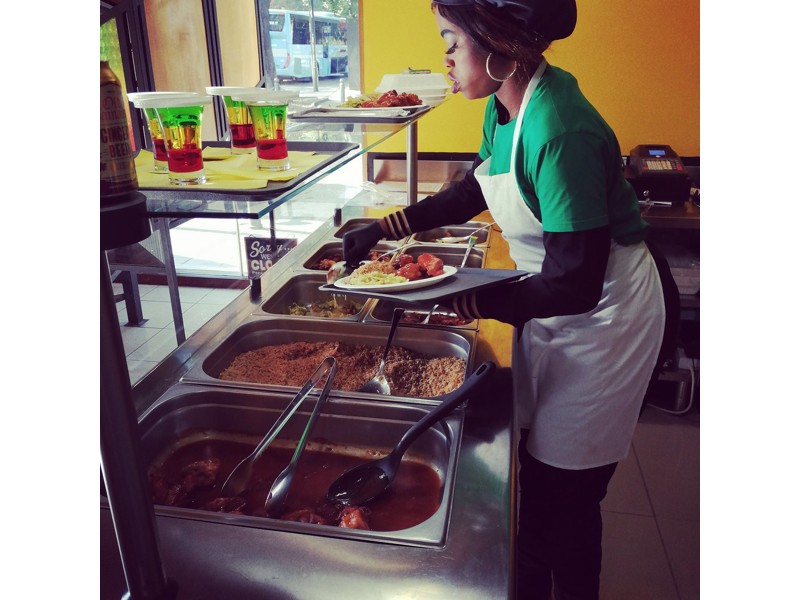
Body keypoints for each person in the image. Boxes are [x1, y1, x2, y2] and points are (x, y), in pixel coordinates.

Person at [342, 1, 680, 598]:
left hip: (607, 319)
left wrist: (466, 300)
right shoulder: (504, 105)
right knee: (538, 477)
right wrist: (387, 227)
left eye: (451, 42)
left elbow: (576, 283)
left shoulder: (560, 130)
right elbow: (475, 188)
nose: (445, 59)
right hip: (555, 302)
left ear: (497, 42)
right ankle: (529, 580)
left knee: (567, 493)